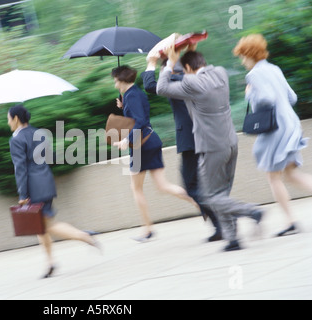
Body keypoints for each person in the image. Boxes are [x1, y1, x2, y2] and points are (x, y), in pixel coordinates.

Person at [156, 48, 263, 251]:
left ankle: (252, 211)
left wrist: (170, 63)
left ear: (187, 68)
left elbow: (162, 88)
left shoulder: (190, 83)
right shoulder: (220, 73)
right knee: (222, 194)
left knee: (210, 197)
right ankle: (233, 240)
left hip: (211, 147)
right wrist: (189, 51)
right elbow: (196, 69)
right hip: (231, 142)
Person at [8, 105, 100, 278]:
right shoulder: (39, 133)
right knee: (40, 227)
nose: (8, 123)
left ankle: (84, 236)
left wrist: (22, 194)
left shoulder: (16, 139)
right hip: (46, 181)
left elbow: (20, 168)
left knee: (49, 225)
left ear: (16, 119)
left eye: (8, 119)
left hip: (34, 187)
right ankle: (50, 263)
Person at [233, 34, 312, 237]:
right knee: (292, 174)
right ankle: (291, 221)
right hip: (291, 124)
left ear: (250, 54)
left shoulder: (254, 75)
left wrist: (249, 93)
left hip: (276, 129)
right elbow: (292, 97)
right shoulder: (274, 69)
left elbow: (266, 99)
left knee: (273, 177)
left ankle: (292, 222)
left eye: (243, 56)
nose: (243, 61)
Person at [141, 51, 222, 242]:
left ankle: (222, 221)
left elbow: (150, 86)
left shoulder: (178, 81)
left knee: (191, 185)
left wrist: (151, 63)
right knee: (200, 184)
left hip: (190, 138)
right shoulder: (192, 79)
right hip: (203, 135)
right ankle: (220, 223)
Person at [111, 66, 198, 242]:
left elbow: (140, 121)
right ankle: (200, 203)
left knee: (136, 188)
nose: (114, 82)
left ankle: (148, 229)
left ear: (121, 80)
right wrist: (123, 106)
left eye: (115, 79)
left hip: (139, 146)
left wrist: (125, 140)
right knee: (163, 186)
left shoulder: (132, 96)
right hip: (151, 141)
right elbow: (137, 116)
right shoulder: (134, 93)